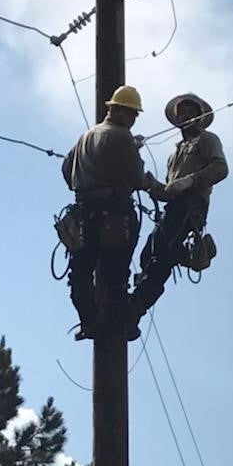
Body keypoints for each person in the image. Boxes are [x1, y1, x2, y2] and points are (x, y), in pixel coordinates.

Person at [131, 93, 228, 321]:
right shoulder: (175, 154)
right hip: (175, 208)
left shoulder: (207, 140)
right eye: (182, 112)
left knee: (160, 257)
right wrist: (151, 185)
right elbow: (168, 192)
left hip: (192, 206)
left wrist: (191, 180)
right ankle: (182, 258)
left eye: (190, 112)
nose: (185, 115)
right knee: (149, 253)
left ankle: (137, 306)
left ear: (199, 116)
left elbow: (221, 169)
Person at [61, 85, 146, 341]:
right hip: (113, 214)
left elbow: (67, 170)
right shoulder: (120, 136)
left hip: (83, 215)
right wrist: (133, 150)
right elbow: (137, 178)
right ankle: (118, 326)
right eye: (133, 114)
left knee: (81, 274)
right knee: (115, 276)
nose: (133, 120)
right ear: (121, 111)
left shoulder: (86, 136)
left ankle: (89, 321)